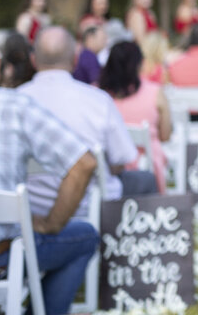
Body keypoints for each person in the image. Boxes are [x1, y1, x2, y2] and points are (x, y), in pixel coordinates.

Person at [0, 30, 98, 315]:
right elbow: (84, 163)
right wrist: (51, 223)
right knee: (85, 236)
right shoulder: (14, 105)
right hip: (0, 260)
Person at [19, 27, 155, 215]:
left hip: (31, 209)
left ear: (33, 60)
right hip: (91, 206)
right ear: (75, 60)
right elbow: (120, 160)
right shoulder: (98, 100)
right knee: (146, 180)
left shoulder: (14, 100)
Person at [101, 40, 173, 194]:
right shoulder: (155, 93)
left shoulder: (96, 95)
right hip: (147, 164)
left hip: (106, 166)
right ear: (139, 65)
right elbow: (165, 136)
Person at [72, 21, 108, 85]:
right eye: (102, 39)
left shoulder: (83, 54)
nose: (105, 42)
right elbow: (96, 83)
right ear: (90, 38)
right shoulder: (89, 57)